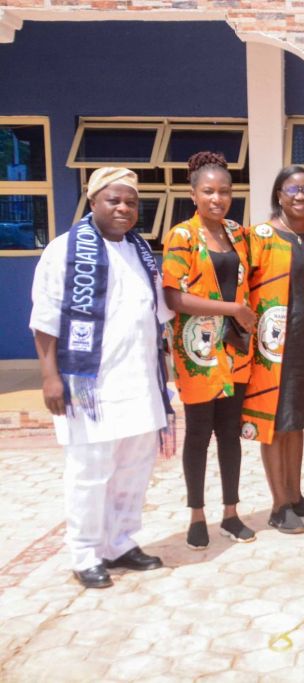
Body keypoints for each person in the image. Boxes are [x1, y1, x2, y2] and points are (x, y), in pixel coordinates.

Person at [30, 167, 173, 589]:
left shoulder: (140, 251)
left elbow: (158, 314)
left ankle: (120, 542)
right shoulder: (63, 251)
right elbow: (45, 320)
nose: (123, 208)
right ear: (93, 202)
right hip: (90, 386)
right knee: (89, 473)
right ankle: (85, 553)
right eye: (114, 200)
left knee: (133, 470)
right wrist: (50, 377)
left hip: (140, 384)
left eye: (131, 201)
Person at [162, 151, 257, 549]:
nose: (217, 199)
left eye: (224, 191)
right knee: (199, 435)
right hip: (198, 353)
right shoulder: (182, 236)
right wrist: (233, 309)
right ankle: (197, 516)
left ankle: (231, 514)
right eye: (208, 192)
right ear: (193, 194)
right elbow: (174, 298)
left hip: (235, 350)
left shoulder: (237, 233)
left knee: (230, 434)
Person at [243, 165, 304, 534]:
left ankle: (296, 496)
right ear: (279, 195)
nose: (300, 195)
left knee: (295, 423)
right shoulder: (261, 236)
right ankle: (279, 506)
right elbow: (243, 287)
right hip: (274, 347)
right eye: (292, 189)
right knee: (275, 424)